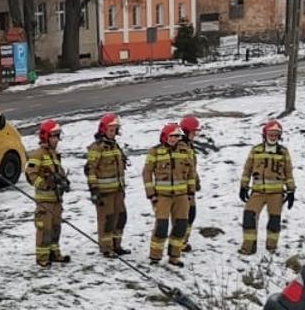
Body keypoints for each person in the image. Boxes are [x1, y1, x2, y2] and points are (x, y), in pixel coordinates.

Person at [142, 123, 197, 266]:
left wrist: (191, 191)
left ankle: (174, 256)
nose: (174, 139)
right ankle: (155, 257)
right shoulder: (155, 152)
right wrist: (151, 194)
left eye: (177, 136)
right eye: (171, 136)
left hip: (182, 196)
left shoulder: (186, 151)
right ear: (165, 136)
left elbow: (191, 173)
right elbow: (147, 173)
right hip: (162, 197)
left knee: (180, 227)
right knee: (161, 227)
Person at [239, 119, 297, 255]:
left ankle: (271, 248)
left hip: (276, 194)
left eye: (276, 134)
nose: (273, 136)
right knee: (249, 217)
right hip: (257, 192)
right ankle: (248, 248)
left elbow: (288, 172)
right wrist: (243, 186)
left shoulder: (283, 152)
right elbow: (247, 169)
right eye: (271, 133)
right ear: (265, 134)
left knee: (274, 222)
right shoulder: (256, 150)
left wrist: (291, 191)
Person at [26, 120, 72, 267]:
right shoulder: (38, 155)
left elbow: (59, 171)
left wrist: (64, 181)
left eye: (58, 136)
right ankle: (42, 257)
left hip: (56, 199)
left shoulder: (54, 154)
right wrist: (45, 185)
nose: (56, 140)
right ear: (45, 137)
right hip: (45, 201)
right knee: (44, 229)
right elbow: (30, 174)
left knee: (55, 227)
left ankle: (54, 253)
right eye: (54, 136)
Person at [84, 113, 130, 256]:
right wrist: (94, 190)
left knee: (120, 217)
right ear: (103, 130)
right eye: (110, 130)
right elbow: (90, 170)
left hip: (118, 190)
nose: (113, 133)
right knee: (107, 220)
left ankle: (117, 245)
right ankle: (106, 248)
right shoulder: (97, 148)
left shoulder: (114, 146)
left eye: (115, 130)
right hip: (104, 192)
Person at [177, 115, 214, 252]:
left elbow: (192, 168)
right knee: (186, 215)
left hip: (189, 187)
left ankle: (182, 241)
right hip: (183, 188)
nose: (195, 135)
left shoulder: (188, 145)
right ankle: (179, 242)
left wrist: (196, 182)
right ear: (186, 132)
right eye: (193, 132)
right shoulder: (182, 148)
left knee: (190, 214)